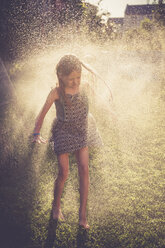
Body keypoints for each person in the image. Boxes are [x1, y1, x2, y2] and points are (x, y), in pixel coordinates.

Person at [32, 54, 104, 229]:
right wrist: (36, 132)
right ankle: (56, 207)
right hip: (63, 131)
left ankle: (82, 216)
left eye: (78, 77)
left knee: (84, 169)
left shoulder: (85, 87)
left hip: (81, 131)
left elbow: (100, 101)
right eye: (71, 79)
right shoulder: (56, 92)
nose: (75, 82)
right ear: (61, 76)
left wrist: (110, 111)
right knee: (64, 173)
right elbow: (42, 113)